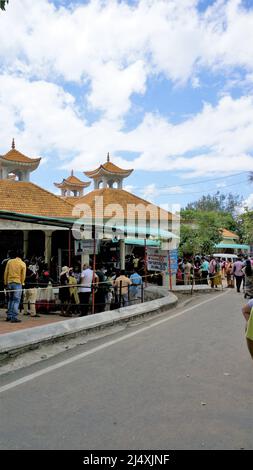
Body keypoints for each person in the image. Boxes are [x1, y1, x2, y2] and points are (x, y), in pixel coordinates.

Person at [4, 249, 26, 323]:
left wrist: (5, 282)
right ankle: (14, 317)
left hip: (9, 282)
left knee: (10, 299)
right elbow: (23, 275)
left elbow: (6, 272)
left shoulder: (10, 261)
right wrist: (22, 283)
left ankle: (9, 316)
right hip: (17, 283)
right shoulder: (23, 264)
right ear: (22, 256)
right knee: (16, 300)